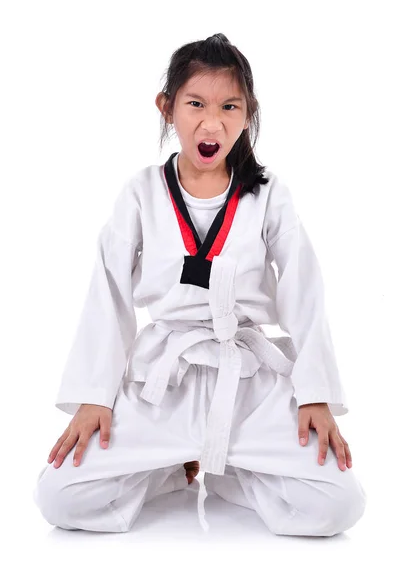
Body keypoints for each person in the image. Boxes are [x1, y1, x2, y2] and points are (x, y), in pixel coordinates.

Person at [33, 33, 367, 536]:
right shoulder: (142, 191)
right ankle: (167, 468)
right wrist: (95, 396)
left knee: (339, 505)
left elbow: (304, 288)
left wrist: (314, 391)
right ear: (167, 108)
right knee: (59, 497)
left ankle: (232, 470)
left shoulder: (268, 194)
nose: (213, 122)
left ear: (248, 111)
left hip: (248, 382)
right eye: (196, 104)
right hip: (164, 385)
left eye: (230, 106)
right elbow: (108, 292)